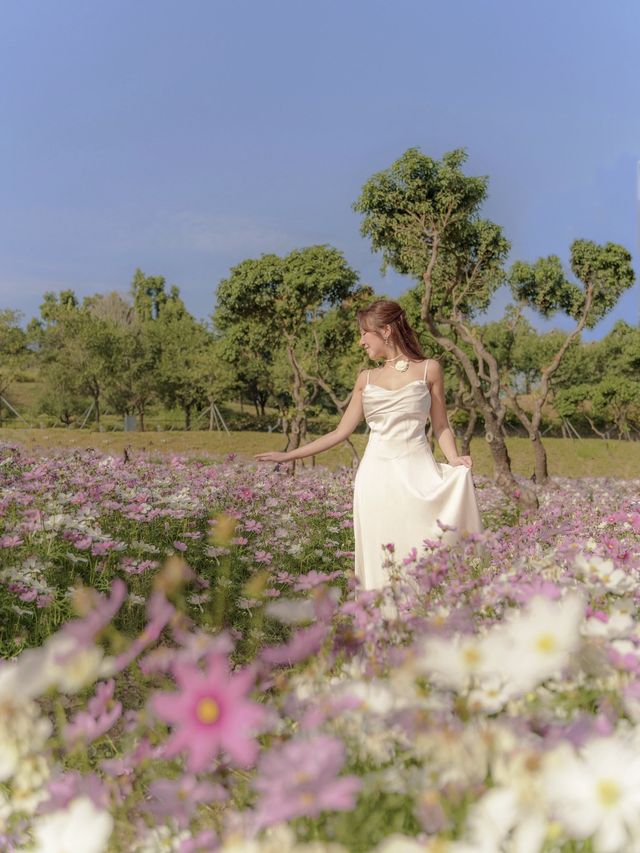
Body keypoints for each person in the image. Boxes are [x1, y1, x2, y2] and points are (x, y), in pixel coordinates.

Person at [255, 299, 483, 590]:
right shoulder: (366, 378)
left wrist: (454, 460)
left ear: (385, 330)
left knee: (421, 547)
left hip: (418, 475)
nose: (361, 341)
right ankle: (382, 622)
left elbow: (441, 426)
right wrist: (289, 456)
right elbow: (340, 432)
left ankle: (425, 619)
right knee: (381, 556)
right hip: (375, 480)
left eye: (365, 332)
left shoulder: (430, 370)